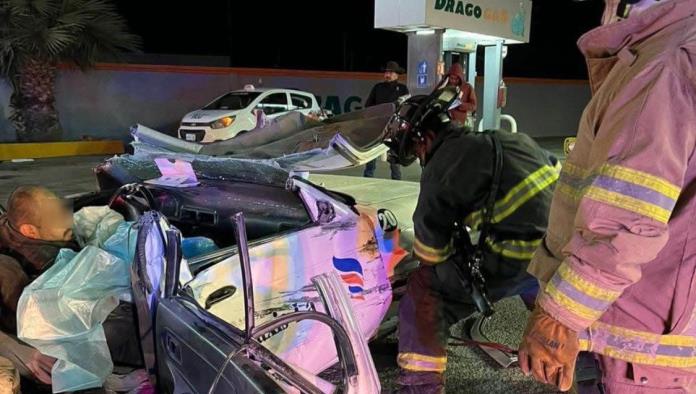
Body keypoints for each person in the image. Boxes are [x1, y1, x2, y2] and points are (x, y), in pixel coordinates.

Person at [518, 0, 696, 392]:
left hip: (647, 350)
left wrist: (557, 316)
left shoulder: (664, 62)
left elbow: (627, 216)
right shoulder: (666, 50)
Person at [383, 86, 558, 393]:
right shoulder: (508, 140)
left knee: (424, 288)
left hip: (515, 262)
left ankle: (421, 385)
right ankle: (568, 348)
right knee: (542, 287)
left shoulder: (440, 168)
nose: (419, 154)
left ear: (424, 139)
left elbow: (431, 253)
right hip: (557, 257)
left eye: (416, 147)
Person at [0, 186, 144, 391]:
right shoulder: (10, 273)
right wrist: (20, 351)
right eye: (56, 217)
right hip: (49, 341)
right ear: (30, 231)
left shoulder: (34, 234)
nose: (68, 219)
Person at [364, 60, 409, 180]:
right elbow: (368, 105)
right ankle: (368, 177)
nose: (387, 75)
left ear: (396, 74)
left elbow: (406, 108)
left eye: (390, 72)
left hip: (394, 125)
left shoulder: (403, 89)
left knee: (393, 154)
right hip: (377, 124)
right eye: (386, 72)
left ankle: (396, 180)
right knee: (371, 153)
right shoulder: (378, 87)